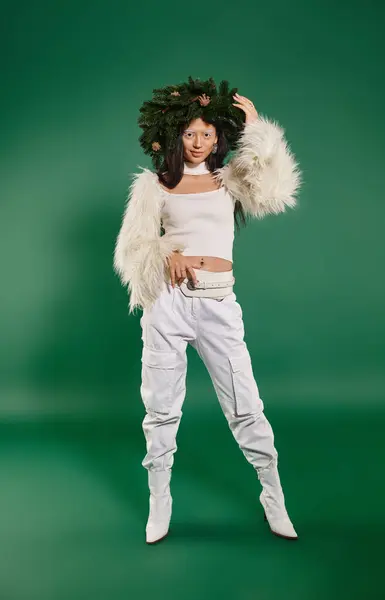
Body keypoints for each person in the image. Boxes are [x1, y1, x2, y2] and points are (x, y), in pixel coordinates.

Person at [113, 76, 301, 545]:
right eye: (190, 134)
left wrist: (257, 129)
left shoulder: (230, 180)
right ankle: (161, 502)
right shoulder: (154, 186)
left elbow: (276, 193)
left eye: (208, 135)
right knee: (160, 409)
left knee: (245, 405)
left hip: (218, 301)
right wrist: (163, 252)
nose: (198, 143)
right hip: (168, 306)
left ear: (220, 138)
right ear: (177, 134)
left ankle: (273, 497)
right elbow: (131, 251)